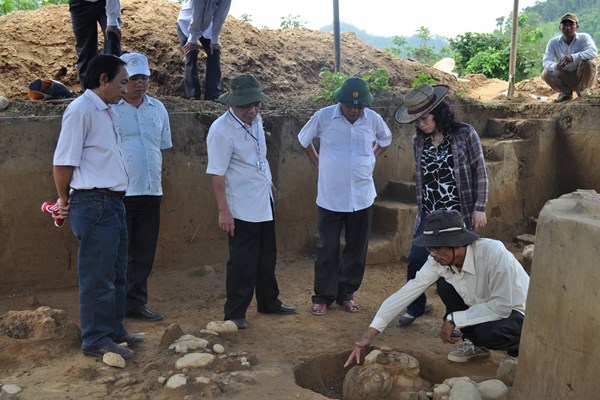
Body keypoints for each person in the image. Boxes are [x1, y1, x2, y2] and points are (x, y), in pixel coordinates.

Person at [344, 209, 529, 367]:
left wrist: (453, 318)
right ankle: (475, 344)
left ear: (456, 243)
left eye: (437, 248)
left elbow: (501, 306)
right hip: (482, 307)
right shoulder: (438, 261)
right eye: (429, 249)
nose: (432, 255)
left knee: (488, 333)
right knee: (445, 284)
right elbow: (408, 291)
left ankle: (518, 349)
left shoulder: (493, 254)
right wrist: (370, 333)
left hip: (518, 312)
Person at [53, 54, 141, 359]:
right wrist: (64, 199)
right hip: (93, 202)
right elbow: (64, 162)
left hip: (112, 203)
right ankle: (94, 338)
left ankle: (114, 330)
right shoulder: (81, 110)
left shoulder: (106, 111)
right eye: (122, 82)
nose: (126, 88)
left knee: (116, 272)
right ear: (103, 79)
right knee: (97, 274)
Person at [206, 73, 297, 329]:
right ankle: (235, 312)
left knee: (267, 256)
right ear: (232, 103)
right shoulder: (221, 131)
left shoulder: (256, 120)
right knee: (243, 261)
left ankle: (269, 302)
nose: (253, 110)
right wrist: (223, 211)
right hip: (241, 206)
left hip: (263, 200)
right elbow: (217, 175)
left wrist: (269, 182)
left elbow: (259, 156)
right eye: (246, 105)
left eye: (256, 104)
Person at [393, 84, 488, 328]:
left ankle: (456, 315)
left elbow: (480, 170)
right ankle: (416, 305)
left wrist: (480, 206)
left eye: (424, 118)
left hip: (459, 214)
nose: (421, 124)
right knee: (416, 258)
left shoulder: (465, 134)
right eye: (417, 121)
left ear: (439, 112)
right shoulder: (418, 140)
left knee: (457, 265)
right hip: (430, 213)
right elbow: (421, 177)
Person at [298, 77, 393, 317]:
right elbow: (304, 139)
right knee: (326, 247)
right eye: (350, 106)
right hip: (331, 196)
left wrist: (372, 156)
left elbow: (386, 139)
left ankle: (346, 294)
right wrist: (317, 160)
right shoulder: (324, 116)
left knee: (356, 248)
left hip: (362, 196)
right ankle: (322, 296)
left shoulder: (372, 119)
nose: (354, 110)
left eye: (359, 106)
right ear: (340, 101)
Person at [113, 52, 173, 322]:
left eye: (144, 78)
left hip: (151, 192)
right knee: (120, 254)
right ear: (123, 81)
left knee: (144, 252)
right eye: (134, 78)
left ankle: (136, 304)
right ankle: (116, 306)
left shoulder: (158, 109)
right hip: (121, 194)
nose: (140, 84)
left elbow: (162, 147)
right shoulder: (110, 110)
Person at [176, 0, 232, 101]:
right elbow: (197, 13)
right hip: (187, 22)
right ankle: (193, 95)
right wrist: (192, 39)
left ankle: (213, 94)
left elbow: (220, 16)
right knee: (191, 53)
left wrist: (215, 39)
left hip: (207, 26)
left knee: (214, 52)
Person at [542, 12, 598, 102]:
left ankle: (583, 90)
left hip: (582, 76)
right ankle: (565, 93)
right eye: (564, 25)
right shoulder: (553, 42)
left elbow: (593, 52)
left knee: (589, 63)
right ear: (560, 27)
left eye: (571, 25)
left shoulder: (584, 38)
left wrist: (573, 57)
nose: (567, 28)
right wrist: (556, 66)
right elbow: (546, 61)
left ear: (577, 26)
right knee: (546, 73)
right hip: (565, 78)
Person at [69, 0, 122, 90]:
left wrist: (112, 20)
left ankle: (114, 88)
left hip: (106, 3)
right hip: (80, 5)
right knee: (86, 51)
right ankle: (90, 92)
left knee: (112, 39)